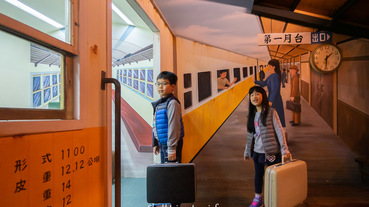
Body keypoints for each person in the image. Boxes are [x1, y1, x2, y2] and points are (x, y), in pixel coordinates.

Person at [244, 86, 291, 207]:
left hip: (271, 152)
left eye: (257, 94)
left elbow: (280, 131)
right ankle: (258, 199)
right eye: (252, 95)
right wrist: (247, 151)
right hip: (257, 152)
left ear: (263, 96)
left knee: (274, 177)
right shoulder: (251, 115)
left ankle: (276, 199)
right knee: (258, 176)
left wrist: (284, 149)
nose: (254, 97)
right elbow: (250, 135)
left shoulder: (271, 112)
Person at [152, 71, 184, 164]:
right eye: (158, 84)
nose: (160, 86)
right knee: (166, 172)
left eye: (164, 83)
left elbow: (174, 126)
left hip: (171, 144)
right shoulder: (159, 104)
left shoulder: (172, 103)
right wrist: (155, 143)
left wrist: (171, 149)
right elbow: (155, 124)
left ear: (173, 86)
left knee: (172, 174)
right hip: (163, 144)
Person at [253, 59, 286, 127]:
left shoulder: (275, 76)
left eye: (269, 65)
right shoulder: (271, 76)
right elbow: (263, 83)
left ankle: (278, 134)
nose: (268, 67)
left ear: (273, 67)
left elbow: (274, 89)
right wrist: (255, 81)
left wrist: (270, 101)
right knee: (273, 118)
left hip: (275, 100)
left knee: (275, 117)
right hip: (272, 98)